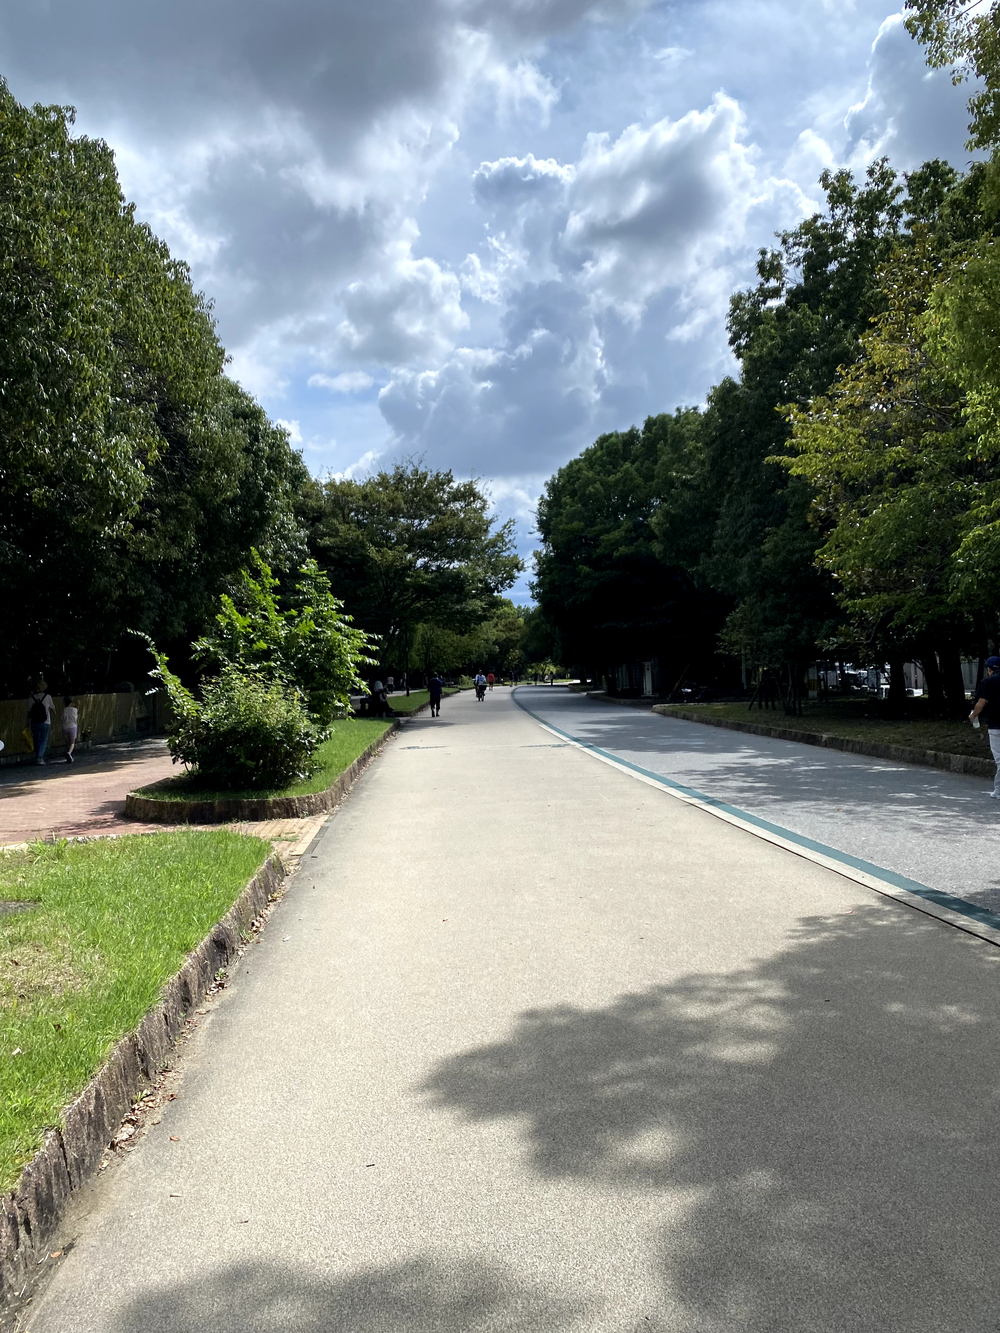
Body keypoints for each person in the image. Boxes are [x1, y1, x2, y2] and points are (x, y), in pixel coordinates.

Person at [969, 655, 1000, 797]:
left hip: (996, 725)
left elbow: (981, 703)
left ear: (989, 669)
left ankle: (999, 790)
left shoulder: (988, 682)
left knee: (999, 759)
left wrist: (973, 715)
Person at [27, 679, 55, 765]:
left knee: (36, 739)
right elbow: (53, 708)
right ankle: (40, 758)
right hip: (46, 721)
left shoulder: (31, 697)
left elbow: (29, 711)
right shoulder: (48, 697)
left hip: (34, 721)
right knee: (43, 740)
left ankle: (37, 756)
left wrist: (27, 722)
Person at [62, 696, 78, 764]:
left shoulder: (65, 710)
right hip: (73, 726)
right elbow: (75, 718)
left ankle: (69, 756)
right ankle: (69, 753)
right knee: (72, 743)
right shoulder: (75, 709)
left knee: (67, 742)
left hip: (65, 727)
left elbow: (63, 718)